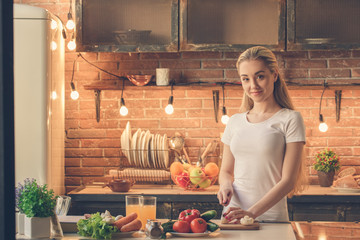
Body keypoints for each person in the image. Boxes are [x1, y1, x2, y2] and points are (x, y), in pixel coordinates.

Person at [217, 46, 307, 223]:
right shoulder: (235, 121)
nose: (253, 86)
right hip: (233, 215)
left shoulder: (290, 119)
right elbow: (226, 171)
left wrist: (251, 213)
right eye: (246, 79)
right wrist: (225, 185)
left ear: (274, 75)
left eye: (260, 76)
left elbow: (288, 180)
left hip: (271, 217)